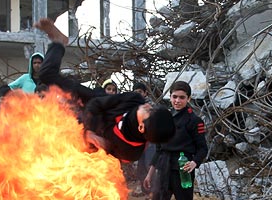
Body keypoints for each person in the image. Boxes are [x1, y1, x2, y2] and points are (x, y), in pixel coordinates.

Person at [34, 17, 175, 162]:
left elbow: (101, 161)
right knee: (46, 75)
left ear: (141, 127)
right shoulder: (135, 100)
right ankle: (58, 42)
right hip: (94, 102)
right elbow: (96, 104)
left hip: (88, 132)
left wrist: (87, 137)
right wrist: (89, 132)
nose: (147, 105)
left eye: (149, 111)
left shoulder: (130, 152)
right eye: (152, 107)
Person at [136, 81, 208, 200]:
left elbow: (202, 148)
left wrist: (194, 163)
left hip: (183, 169)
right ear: (170, 97)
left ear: (188, 98)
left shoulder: (194, 121)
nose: (177, 101)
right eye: (174, 97)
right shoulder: (165, 118)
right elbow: (159, 148)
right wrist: (150, 172)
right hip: (164, 168)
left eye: (182, 97)